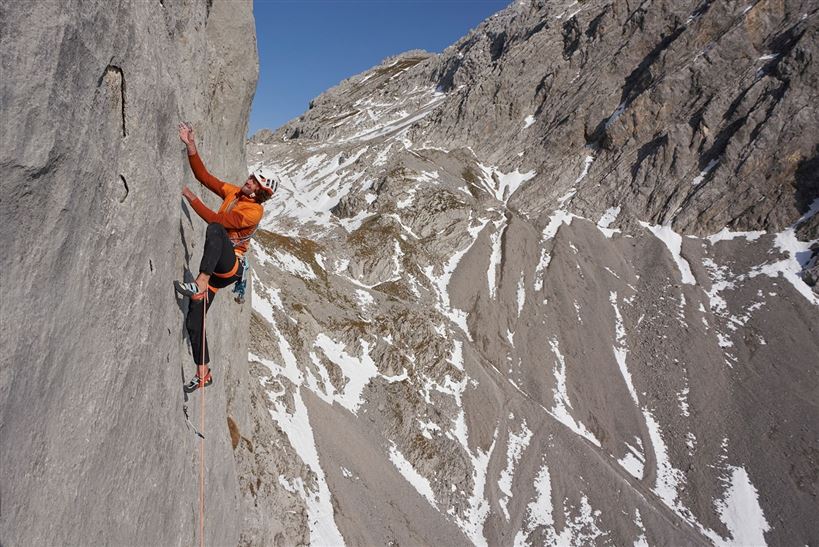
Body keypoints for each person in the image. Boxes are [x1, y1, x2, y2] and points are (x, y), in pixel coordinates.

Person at [174, 121, 278, 393]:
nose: (249, 180)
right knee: (195, 319)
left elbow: (216, 219)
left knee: (217, 229)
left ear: (260, 192)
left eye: (254, 181)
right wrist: (191, 146)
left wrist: (190, 198)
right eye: (251, 177)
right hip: (221, 267)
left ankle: (200, 281)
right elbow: (205, 177)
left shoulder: (253, 212)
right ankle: (204, 373)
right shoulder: (234, 192)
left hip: (228, 266)